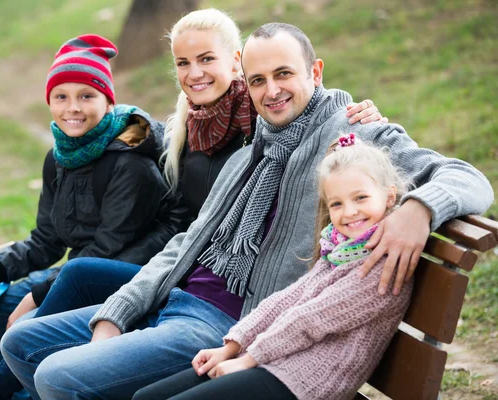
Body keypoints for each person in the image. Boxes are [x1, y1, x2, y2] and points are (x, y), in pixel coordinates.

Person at [1, 18, 493, 400]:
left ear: (315, 72)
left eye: (284, 74)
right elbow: (185, 245)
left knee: (59, 376)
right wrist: (119, 311)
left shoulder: (351, 135)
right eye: (258, 80)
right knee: (19, 343)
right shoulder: (250, 151)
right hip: (176, 302)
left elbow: (468, 178)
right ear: (245, 82)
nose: (271, 90)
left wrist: (419, 209)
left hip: (226, 323)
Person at [0, 34, 186, 400]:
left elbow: (105, 251)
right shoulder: (60, 157)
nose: (72, 108)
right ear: (48, 100)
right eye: (60, 96)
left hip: (122, 276)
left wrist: (37, 294)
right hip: (74, 272)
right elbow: (47, 238)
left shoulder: (129, 164)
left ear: (108, 101)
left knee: (28, 327)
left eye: (86, 96)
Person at [132, 133, 414, 400]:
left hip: (308, 383)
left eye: (360, 198)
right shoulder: (341, 250)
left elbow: (310, 319)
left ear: (389, 197)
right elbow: (285, 301)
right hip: (278, 361)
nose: (349, 212)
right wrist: (231, 347)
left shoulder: (381, 264)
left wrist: (247, 359)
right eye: (337, 204)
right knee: (145, 396)